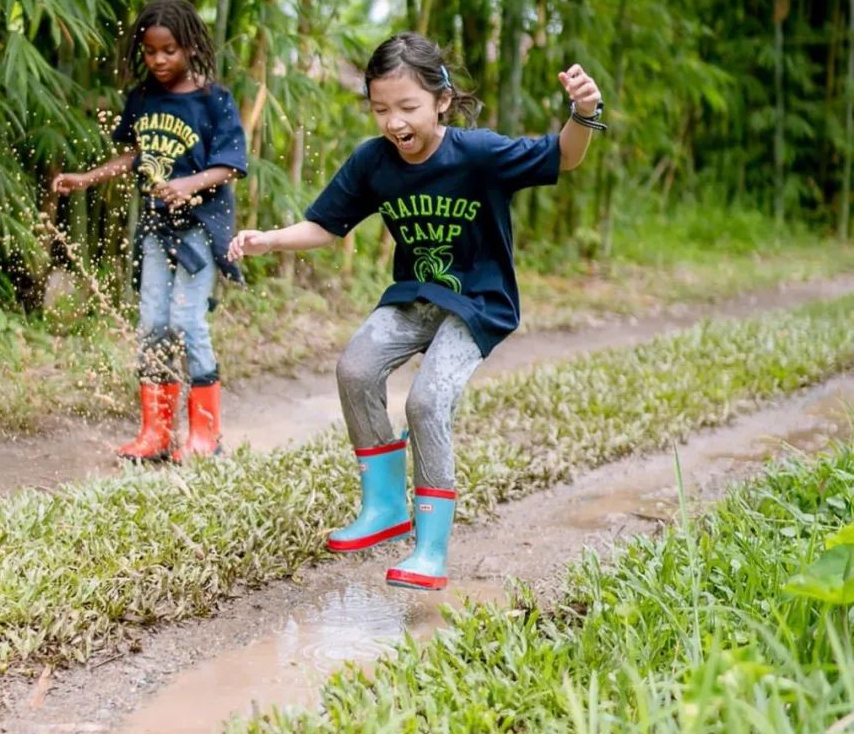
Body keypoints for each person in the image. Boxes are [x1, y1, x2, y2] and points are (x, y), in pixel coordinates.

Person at [228, 32, 604, 590]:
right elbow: (327, 226)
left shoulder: (477, 154)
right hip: (415, 297)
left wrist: (585, 111)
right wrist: (270, 240)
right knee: (355, 368)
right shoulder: (373, 161)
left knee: (427, 402)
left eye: (408, 107)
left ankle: (429, 548)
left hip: (477, 305)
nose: (394, 121)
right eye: (381, 109)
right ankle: (383, 508)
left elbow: (564, 155)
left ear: (441, 101)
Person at [53, 0, 247, 463]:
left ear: (191, 48)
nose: (159, 60)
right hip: (157, 228)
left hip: (201, 228)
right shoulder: (142, 98)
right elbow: (136, 156)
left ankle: (205, 438)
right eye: (150, 51)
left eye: (170, 51)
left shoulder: (214, 99)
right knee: (152, 324)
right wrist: (86, 178)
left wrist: (188, 184)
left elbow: (231, 166)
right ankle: (156, 432)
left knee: (187, 321)